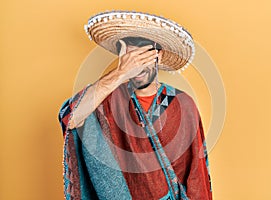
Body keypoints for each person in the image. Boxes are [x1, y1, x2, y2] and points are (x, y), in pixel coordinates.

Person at [58, 11, 212, 200]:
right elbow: (71, 118)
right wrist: (120, 73)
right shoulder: (107, 100)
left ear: (158, 56)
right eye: (130, 60)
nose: (136, 67)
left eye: (142, 58)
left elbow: (197, 174)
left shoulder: (182, 104)